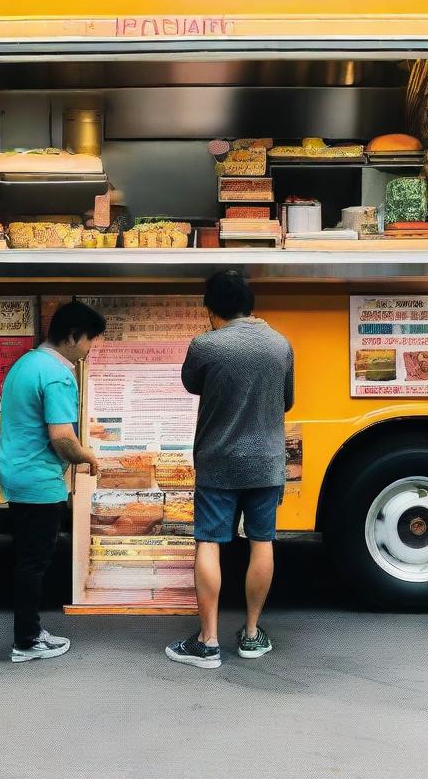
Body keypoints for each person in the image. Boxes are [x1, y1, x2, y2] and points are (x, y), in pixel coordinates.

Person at [165, 270, 294, 669]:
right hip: (266, 462)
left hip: (218, 461)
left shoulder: (205, 345)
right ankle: (252, 635)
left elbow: (191, 384)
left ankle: (207, 642)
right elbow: (287, 401)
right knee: (261, 541)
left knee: (209, 541)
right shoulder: (280, 344)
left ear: (211, 308)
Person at [0, 299, 105, 663]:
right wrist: (88, 456)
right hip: (39, 481)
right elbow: (61, 436)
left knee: (27, 559)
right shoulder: (58, 373)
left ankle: (29, 633)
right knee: (33, 563)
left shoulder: (26, 363)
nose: (90, 350)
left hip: (16, 474)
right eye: (90, 340)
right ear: (73, 336)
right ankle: (26, 641)